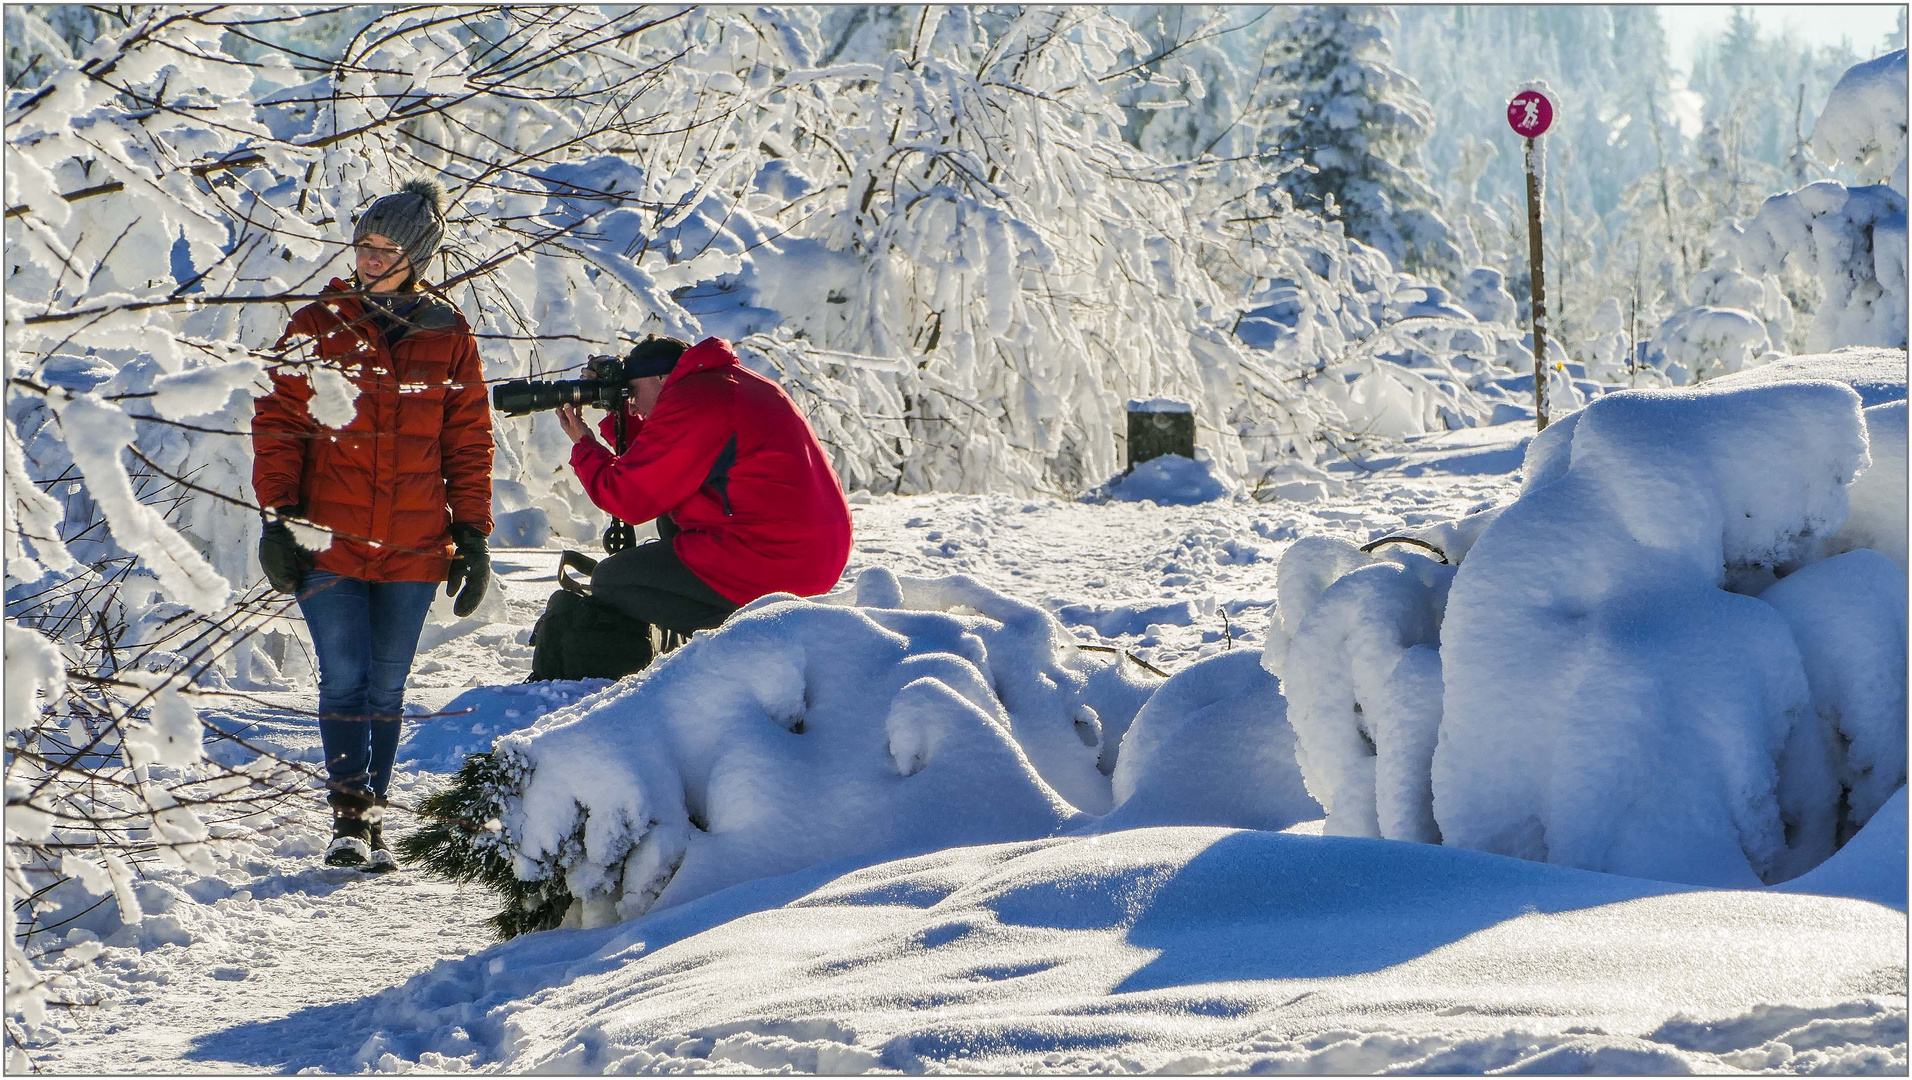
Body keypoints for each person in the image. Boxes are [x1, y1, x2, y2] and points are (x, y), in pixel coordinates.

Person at [251, 179, 494, 871]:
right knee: (344, 676)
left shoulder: (448, 333)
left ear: (416, 255)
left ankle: (371, 819)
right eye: (362, 244)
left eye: (384, 248)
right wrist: (277, 518)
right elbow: (279, 425)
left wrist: (472, 533)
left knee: (387, 685)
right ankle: (349, 819)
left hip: (416, 543)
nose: (368, 259)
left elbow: (468, 440)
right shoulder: (316, 325)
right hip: (328, 537)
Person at [553, 335, 852, 637]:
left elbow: (627, 498)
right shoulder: (727, 383)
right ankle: (750, 627)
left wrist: (584, 445)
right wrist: (613, 412)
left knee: (614, 580)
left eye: (632, 392)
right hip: (810, 552)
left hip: (778, 560)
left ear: (660, 377)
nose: (632, 407)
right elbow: (662, 464)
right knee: (670, 519)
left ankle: (754, 639)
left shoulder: (696, 398)